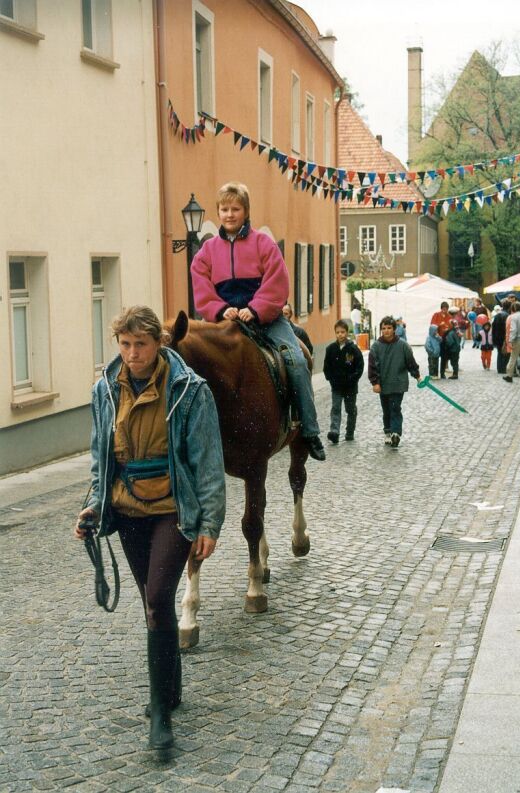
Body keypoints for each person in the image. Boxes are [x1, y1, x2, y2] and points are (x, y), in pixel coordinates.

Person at [74, 306, 226, 751]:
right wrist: (93, 506)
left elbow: (208, 462)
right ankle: (171, 689)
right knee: (152, 604)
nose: (132, 354)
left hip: (173, 509)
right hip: (127, 509)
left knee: (159, 598)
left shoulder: (190, 390)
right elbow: (101, 457)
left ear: (158, 343)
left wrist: (210, 523)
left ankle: (160, 713)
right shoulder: (104, 390)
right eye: (125, 344)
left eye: (140, 344)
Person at [191, 181, 325, 461]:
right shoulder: (207, 250)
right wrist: (220, 309)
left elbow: (278, 281)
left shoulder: (263, 244)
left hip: (266, 319)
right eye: (224, 209)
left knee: (296, 361)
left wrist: (255, 308)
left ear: (246, 211)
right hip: (224, 320)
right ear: (218, 211)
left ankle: (309, 429)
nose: (229, 214)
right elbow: (201, 286)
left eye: (235, 209)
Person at [368, 316, 420, 448]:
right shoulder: (376, 347)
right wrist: (375, 382)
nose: (386, 331)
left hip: (398, 383)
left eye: (389, 328)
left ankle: (396, 433)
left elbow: (410, 362)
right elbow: (372, 366)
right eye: (384, 328)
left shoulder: (403, 345)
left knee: (395, 407)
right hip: (383, 384)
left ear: (394, 329)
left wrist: (417, 376)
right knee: (386, 410)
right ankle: (387, 431)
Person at [323, 319, 364, 443]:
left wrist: (353, 378)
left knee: (350, 409)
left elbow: (359, 367)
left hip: (350, 386)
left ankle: (350, 432)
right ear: (335, 333)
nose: (340, 335)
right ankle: (334, 431)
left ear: (347, 332)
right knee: (335, 408)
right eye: (338, 332)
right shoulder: (330, 349)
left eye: (342, 332)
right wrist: (331, 379)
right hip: (336, 386)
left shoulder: (353, 349)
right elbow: (327, 367)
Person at [492, 299, 511, 374]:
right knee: (506, 353)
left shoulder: (497, 315)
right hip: (504, 336)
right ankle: (503, 368)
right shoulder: (507, 316)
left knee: (499, 352)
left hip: (497, 336)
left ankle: (499, 369)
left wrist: (493, 338)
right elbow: (507, 328)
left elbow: (493, 327)